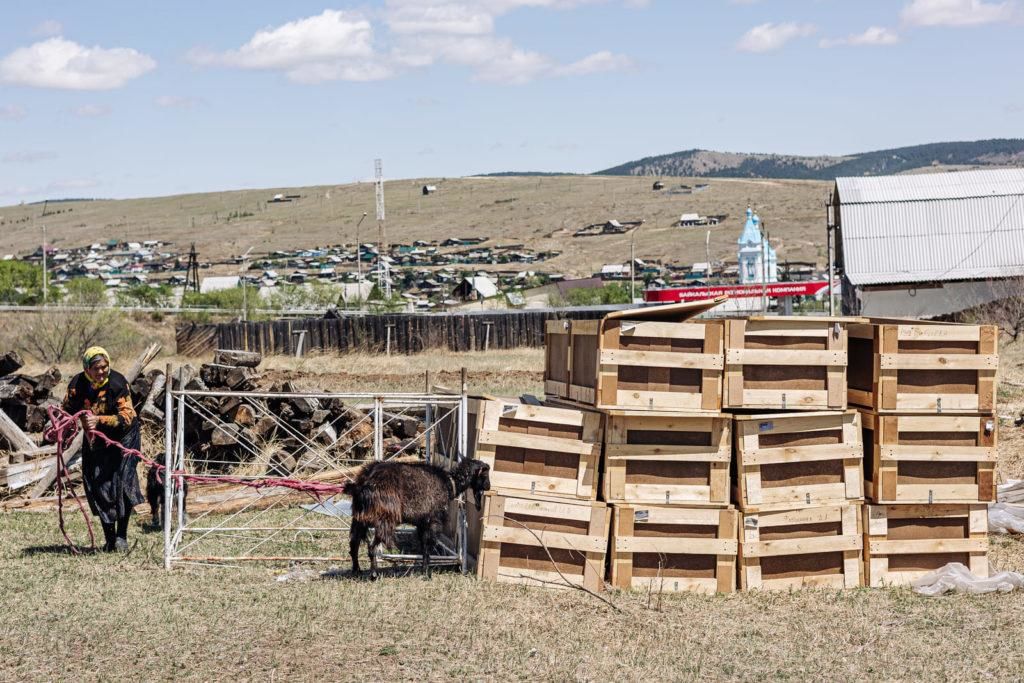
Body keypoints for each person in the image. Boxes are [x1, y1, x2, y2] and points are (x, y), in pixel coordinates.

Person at [61, 346, 144, 552]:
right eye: (96, 368)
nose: (101, 372)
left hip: (124, 437)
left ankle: (121, 537)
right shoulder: (76, 386)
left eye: (104, 367)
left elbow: (127, 417)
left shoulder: (117, 383)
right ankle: (109, 539)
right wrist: (62, 427)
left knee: (123, 483)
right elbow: (67, 411)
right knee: (98, 484)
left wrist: (98, 419)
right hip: (96, 439)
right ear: (87, 369)